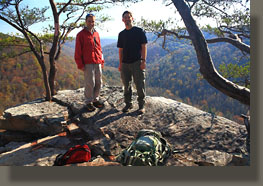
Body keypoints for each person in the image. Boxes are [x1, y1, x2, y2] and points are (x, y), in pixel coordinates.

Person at [117, 11, 147, 114]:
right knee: (126, 86)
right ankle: (128, 104)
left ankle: (141, 106)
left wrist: (143, 61)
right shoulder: (121, 34)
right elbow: (120, 50)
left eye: (128, 17)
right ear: (122, 20)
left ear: (132, 18)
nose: (127, 19)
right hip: (125, 63)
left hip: (137, 62)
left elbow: (144, 46)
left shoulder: (139, 31)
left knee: (139, 85)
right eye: (125, 18)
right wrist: (120, 64)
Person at [74, 13, 104, 112]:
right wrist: (80, 64)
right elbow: (78, 51)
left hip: (97, 61)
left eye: (93, 21)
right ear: (86, 22)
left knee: (99, 82)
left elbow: (99, 48)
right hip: (88, 62)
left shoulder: (96, 33)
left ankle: (95, 99)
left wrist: (101, 60)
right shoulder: (81, 35)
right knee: (90, 83)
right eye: (89, 21)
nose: (91, 23)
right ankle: (88, 102)